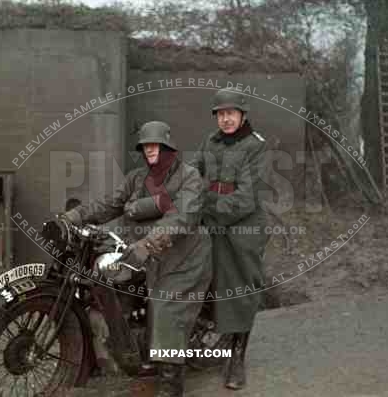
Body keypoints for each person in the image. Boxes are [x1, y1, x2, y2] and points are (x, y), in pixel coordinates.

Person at [61, 121, 212, 397]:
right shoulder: (136, 177)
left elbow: (181, 218)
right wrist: (74, 217)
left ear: (168, 147)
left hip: (184, 257)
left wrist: (148, 243)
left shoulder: (189, 177)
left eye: (155, 145)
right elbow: (109, 204)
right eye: (145, 146)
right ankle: (121, 351)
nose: (150, 150)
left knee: (166, 310)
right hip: (148, 253)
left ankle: (169, 386)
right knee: (108, 280)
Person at [190, 88, 268, 390]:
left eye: (231, 113)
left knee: (239, 289)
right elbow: (193, 173)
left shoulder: (256, 147)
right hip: (211, 222)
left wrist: (206, 206)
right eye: (220, 114)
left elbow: (246, 199)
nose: (225, 119)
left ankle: (237, 358)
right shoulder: (210, 142)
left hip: (242, 229)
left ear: (243, 115)